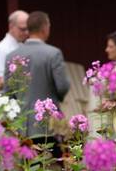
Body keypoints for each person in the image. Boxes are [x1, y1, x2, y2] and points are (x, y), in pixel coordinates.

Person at [4, 11, 70, 140]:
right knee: (50, 158)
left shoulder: (11, 56)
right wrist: (56, 99)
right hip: (47, 123)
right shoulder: (53, 53)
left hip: (20, 124)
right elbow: (62, 86)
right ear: (45, 28)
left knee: (25, 159)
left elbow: (8, 91)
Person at [0, 10, 29, 90]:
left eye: (28, 29)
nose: (26, 32)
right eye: (23, 29)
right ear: (11, 26)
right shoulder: (2, 49)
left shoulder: (22, 45)